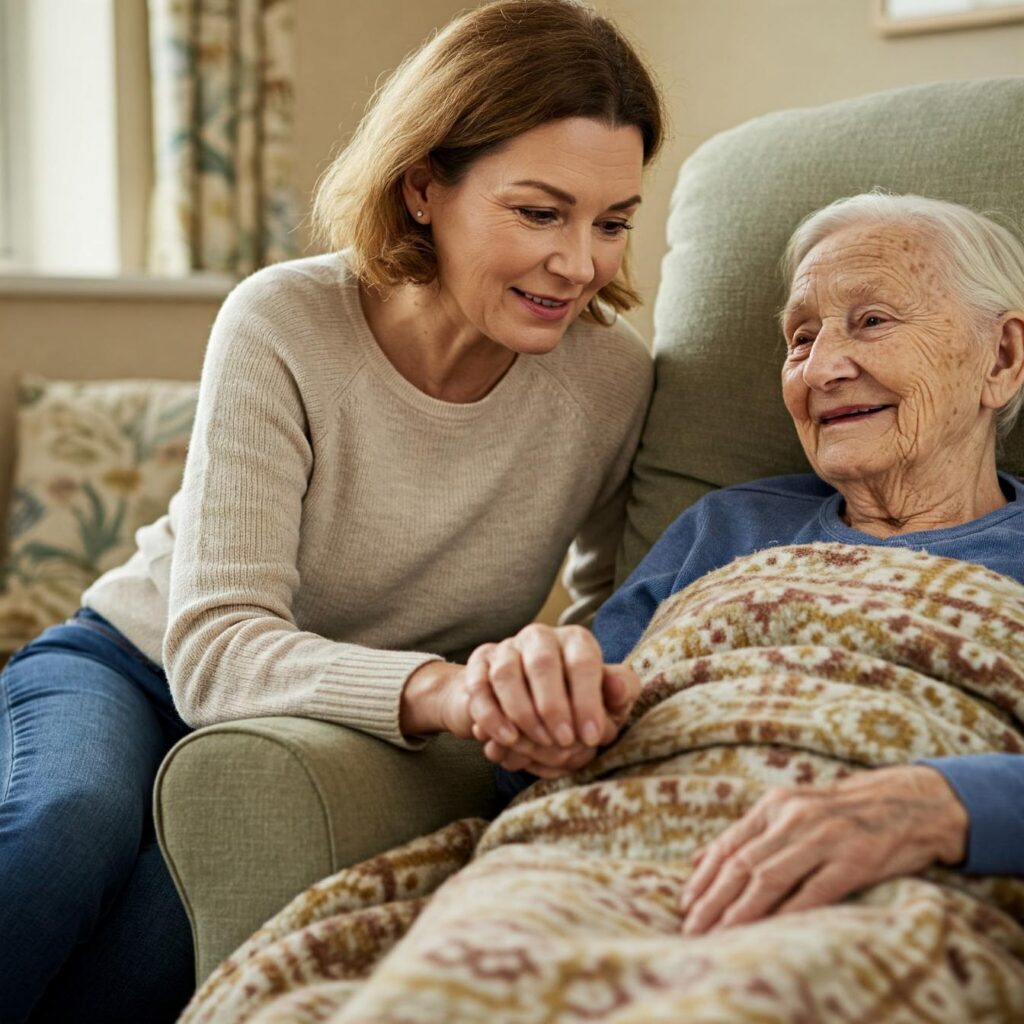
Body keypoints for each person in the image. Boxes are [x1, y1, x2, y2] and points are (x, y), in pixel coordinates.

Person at [0, 2, 664, 1019]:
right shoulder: (285, 321)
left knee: (156, 934)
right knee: (70, 825)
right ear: (424, 186)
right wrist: (450, 687)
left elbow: (612, 605)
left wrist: (555, 688)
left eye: (611, 221)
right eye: (540, 212)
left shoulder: (610, 382)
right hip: (137, 664)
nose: (580, 263)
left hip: (337, 735)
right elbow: (217, 649)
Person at [481, 191, 1024, 928]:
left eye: (871, 321)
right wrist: (531, 697)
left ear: (1003, 356)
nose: (821, 369)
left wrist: (943, 803)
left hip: (889, 895)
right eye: (800, 339)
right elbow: (531, 765)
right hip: (601, 867)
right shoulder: (726, 525)